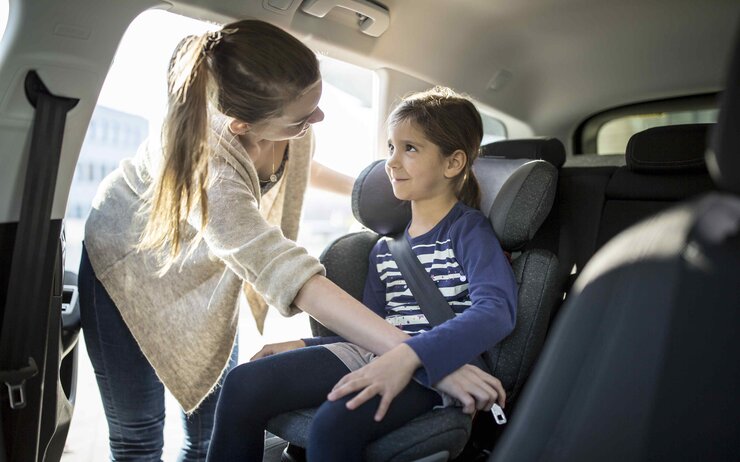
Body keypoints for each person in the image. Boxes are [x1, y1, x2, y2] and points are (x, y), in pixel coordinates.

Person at [79, 19, 499, 461]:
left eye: (315, 102)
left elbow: (304, 169)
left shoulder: (287, 115)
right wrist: (429, 359)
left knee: (205, 433)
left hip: (206, 277)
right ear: (243, 126)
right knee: (139, 436)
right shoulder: (210, 173)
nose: (317, 118)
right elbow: (288, 273)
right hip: (128, 270)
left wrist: (379, 193)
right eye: (302, 120)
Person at [206, 86, 518, 462]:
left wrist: (409, 355)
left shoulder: (468, 231)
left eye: (410, 149)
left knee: (334, 422)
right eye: (390, 147)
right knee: (243, 384)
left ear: (453, 163)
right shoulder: (385, 248)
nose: (392, 162)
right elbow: (369, 333)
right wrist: (304, 346)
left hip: (439, 363)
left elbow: (496, 310)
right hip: (379, 354)